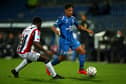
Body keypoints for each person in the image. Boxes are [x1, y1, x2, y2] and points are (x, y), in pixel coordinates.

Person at [46, 4, 93, 76]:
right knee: (62, 58)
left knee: (82, 51)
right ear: (65, 11)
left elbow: (79, 27)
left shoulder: (73, 18)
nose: (71, 12)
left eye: (72, 10)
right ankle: (49, 66)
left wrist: (87, 30)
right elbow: (53, 27)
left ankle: (81, 69)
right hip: (64, 40)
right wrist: (56, 31)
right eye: (69, 10)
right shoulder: (61, 19)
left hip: (72, 39)